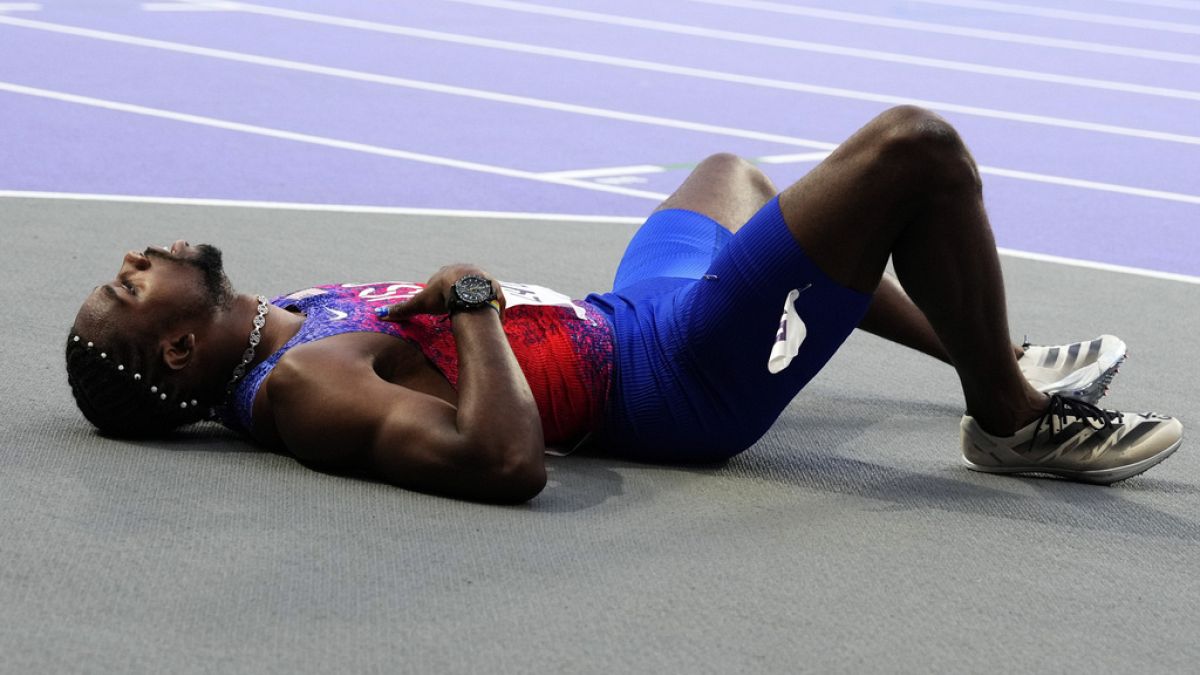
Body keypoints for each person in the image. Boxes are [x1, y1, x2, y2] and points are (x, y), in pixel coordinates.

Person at [65, 106, 1183, 504]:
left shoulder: (284, 321)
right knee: (912, 151)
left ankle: (995, 348)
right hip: (677, 379)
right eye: (130, 282)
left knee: (730, 173)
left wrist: (474, 309)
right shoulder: (304, 386)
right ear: (174, 344)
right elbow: (504, 463)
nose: (137, 255)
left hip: (626, 313)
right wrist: (467, 304)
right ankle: (1013, 415)